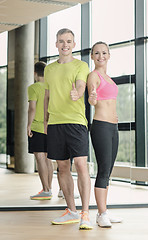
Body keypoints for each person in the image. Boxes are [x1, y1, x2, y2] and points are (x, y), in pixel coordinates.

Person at [44, 28, 92, 230]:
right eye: (61, 41)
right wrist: (45, 120)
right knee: (62, 167)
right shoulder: (49, 69)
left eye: (69, 41)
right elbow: (46, 96)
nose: (65, 44)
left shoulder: (81, 65)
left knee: (81, 164)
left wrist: (78, 93)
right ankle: (71, 210)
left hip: (76, 121)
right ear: (56, 44)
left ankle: (86, 214)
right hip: (55, 123)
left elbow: (81, 85)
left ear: (74, 44)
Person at [87, 41, 122, 227]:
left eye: (104, 53)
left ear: (109, 55)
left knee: (107, 172)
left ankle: (105, 211)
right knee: (103, 171)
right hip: (101, 126)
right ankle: (101, 215)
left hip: (113, 128)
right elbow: (92, 97)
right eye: (97, 53)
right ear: (92, 56)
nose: (101, 56)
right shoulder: (93, 76)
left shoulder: (108, 77)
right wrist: (92, 99)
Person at [27, 61, 53, 200]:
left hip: (37, 127)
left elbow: (32, 108)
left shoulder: (33, 88)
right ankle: (49, 188)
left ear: (35, 73)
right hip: (50, 127)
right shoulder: (50, 87)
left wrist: (28, 125)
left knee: (40, 158)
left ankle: (46, 189)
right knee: (48, 159)